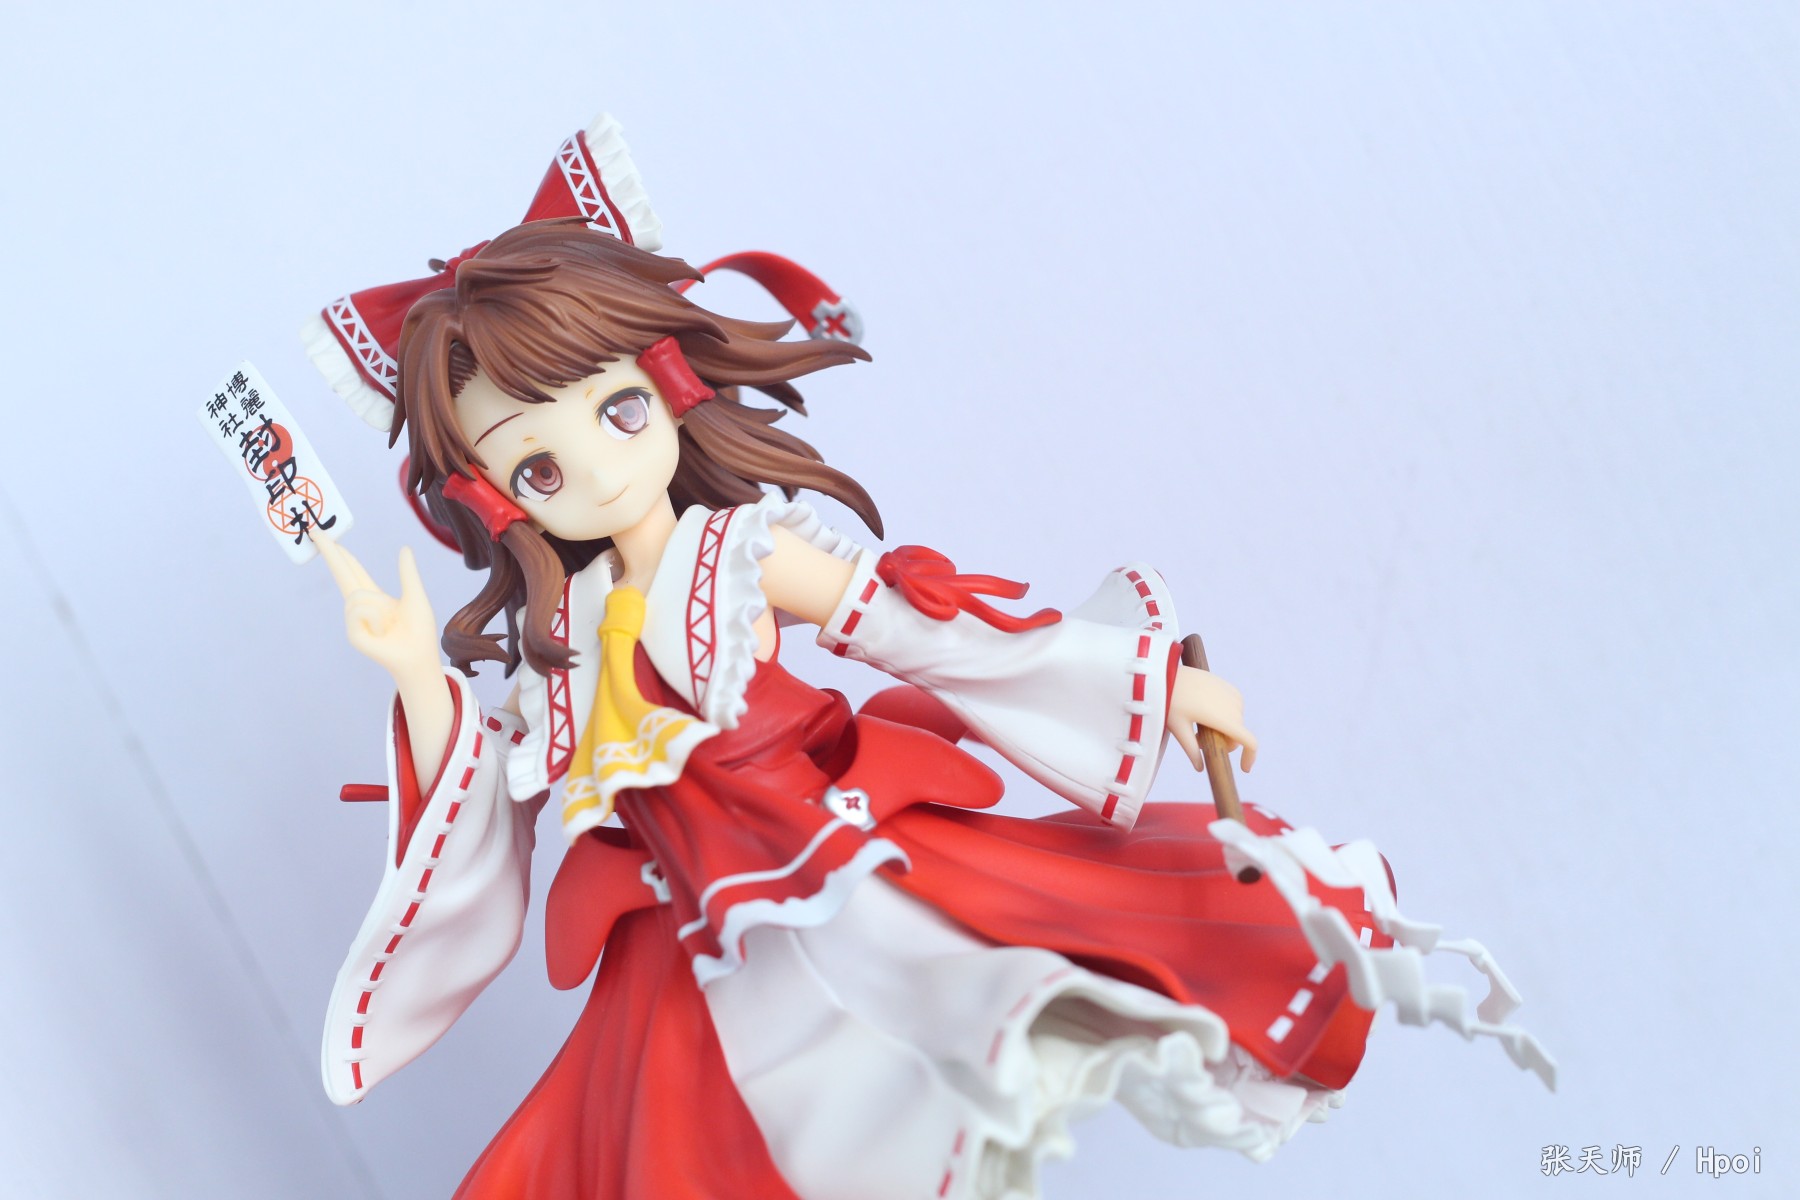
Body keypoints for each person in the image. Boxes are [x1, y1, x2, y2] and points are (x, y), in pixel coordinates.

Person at [304, 116, 1551, 1200]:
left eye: (615, 409)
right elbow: (492, 809)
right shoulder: (565, 642)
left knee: (943, 1058)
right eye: (537, 466)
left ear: (667, 380)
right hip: (686, 958)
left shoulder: (737, 556)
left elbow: (917, 627)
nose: (592, 468)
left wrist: (1155, 688)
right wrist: (414, 668)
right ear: (498, 497)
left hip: (837, 875)